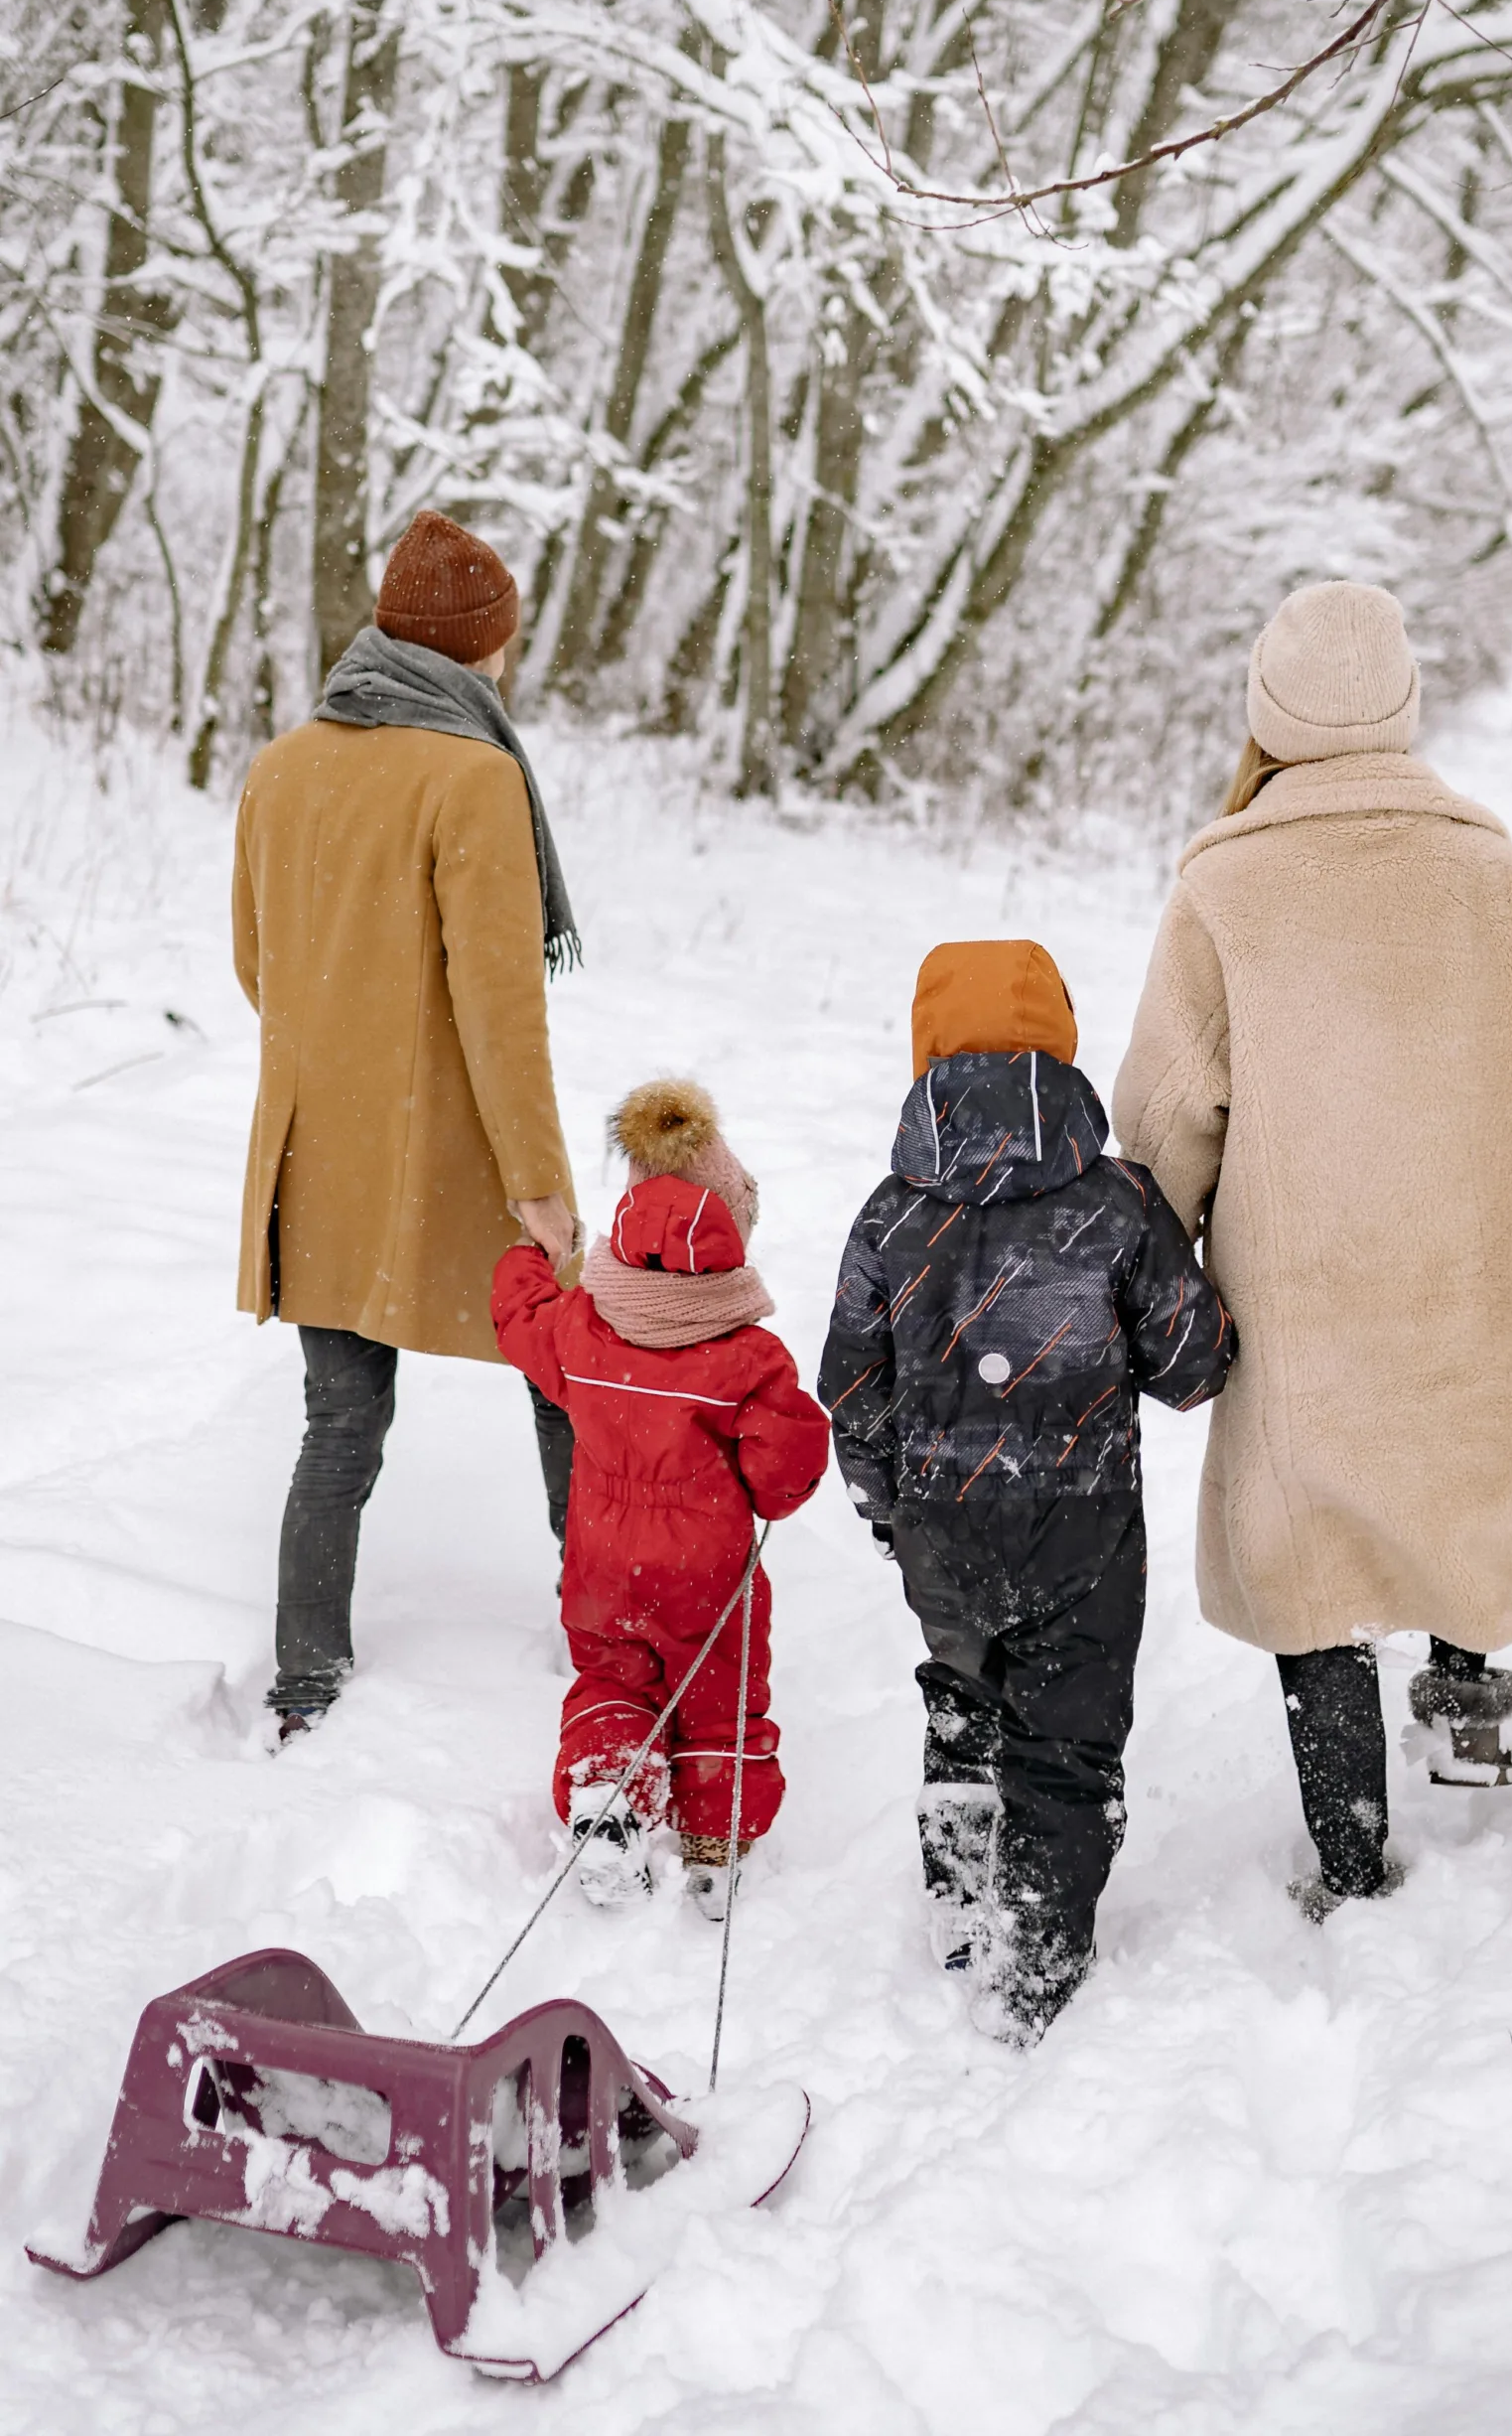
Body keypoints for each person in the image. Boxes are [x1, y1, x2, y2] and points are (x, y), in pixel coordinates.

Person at [1112, 579, 1512, 1919]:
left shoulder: (1224, 883)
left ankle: (1349, 1857)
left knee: (1312, 1559)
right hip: (1478, 1270)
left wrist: (1143, 1266)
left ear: (1266, 709)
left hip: (1301, 1293)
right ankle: (1464, 1697)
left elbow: (1168, 1111)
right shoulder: (1487, 869)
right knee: (1463, 1480)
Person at [819, 941, 1235, 2045]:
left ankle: (960, 1902)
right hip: (1083, 1528)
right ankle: (1037, 1956)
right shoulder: (1115, 1204)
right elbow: (1193, 1364)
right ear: (1060, 1041)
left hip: (942, 1529)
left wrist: (883, 1505)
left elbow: (852, 1388)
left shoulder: (893, 1215)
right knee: (1066, 1742)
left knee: (965, 1700)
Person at [234, 508, 583, 1739]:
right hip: (451, 1158)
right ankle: (607, 1639)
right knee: (564, 1374)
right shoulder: (475, 775)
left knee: (338, 1423)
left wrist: (350, 1047)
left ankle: (304, 1682)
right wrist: (541, 1190)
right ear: (479, 649)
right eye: (506, 641)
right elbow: (503, 1013)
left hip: (317, 1155)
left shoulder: (281, 766)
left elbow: (257, 967)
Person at [491, 1079, 830, 1920]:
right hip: (706, 1571)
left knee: (613, 1679)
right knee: (719, 1694)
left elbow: (517, 1315)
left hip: (601, 1562)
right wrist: (765, 1494)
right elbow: (790, 1462)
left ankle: (608, 1797)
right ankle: (715, 1847)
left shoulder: (581, 1329)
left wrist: (529, 1256)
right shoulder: (745, 1357)